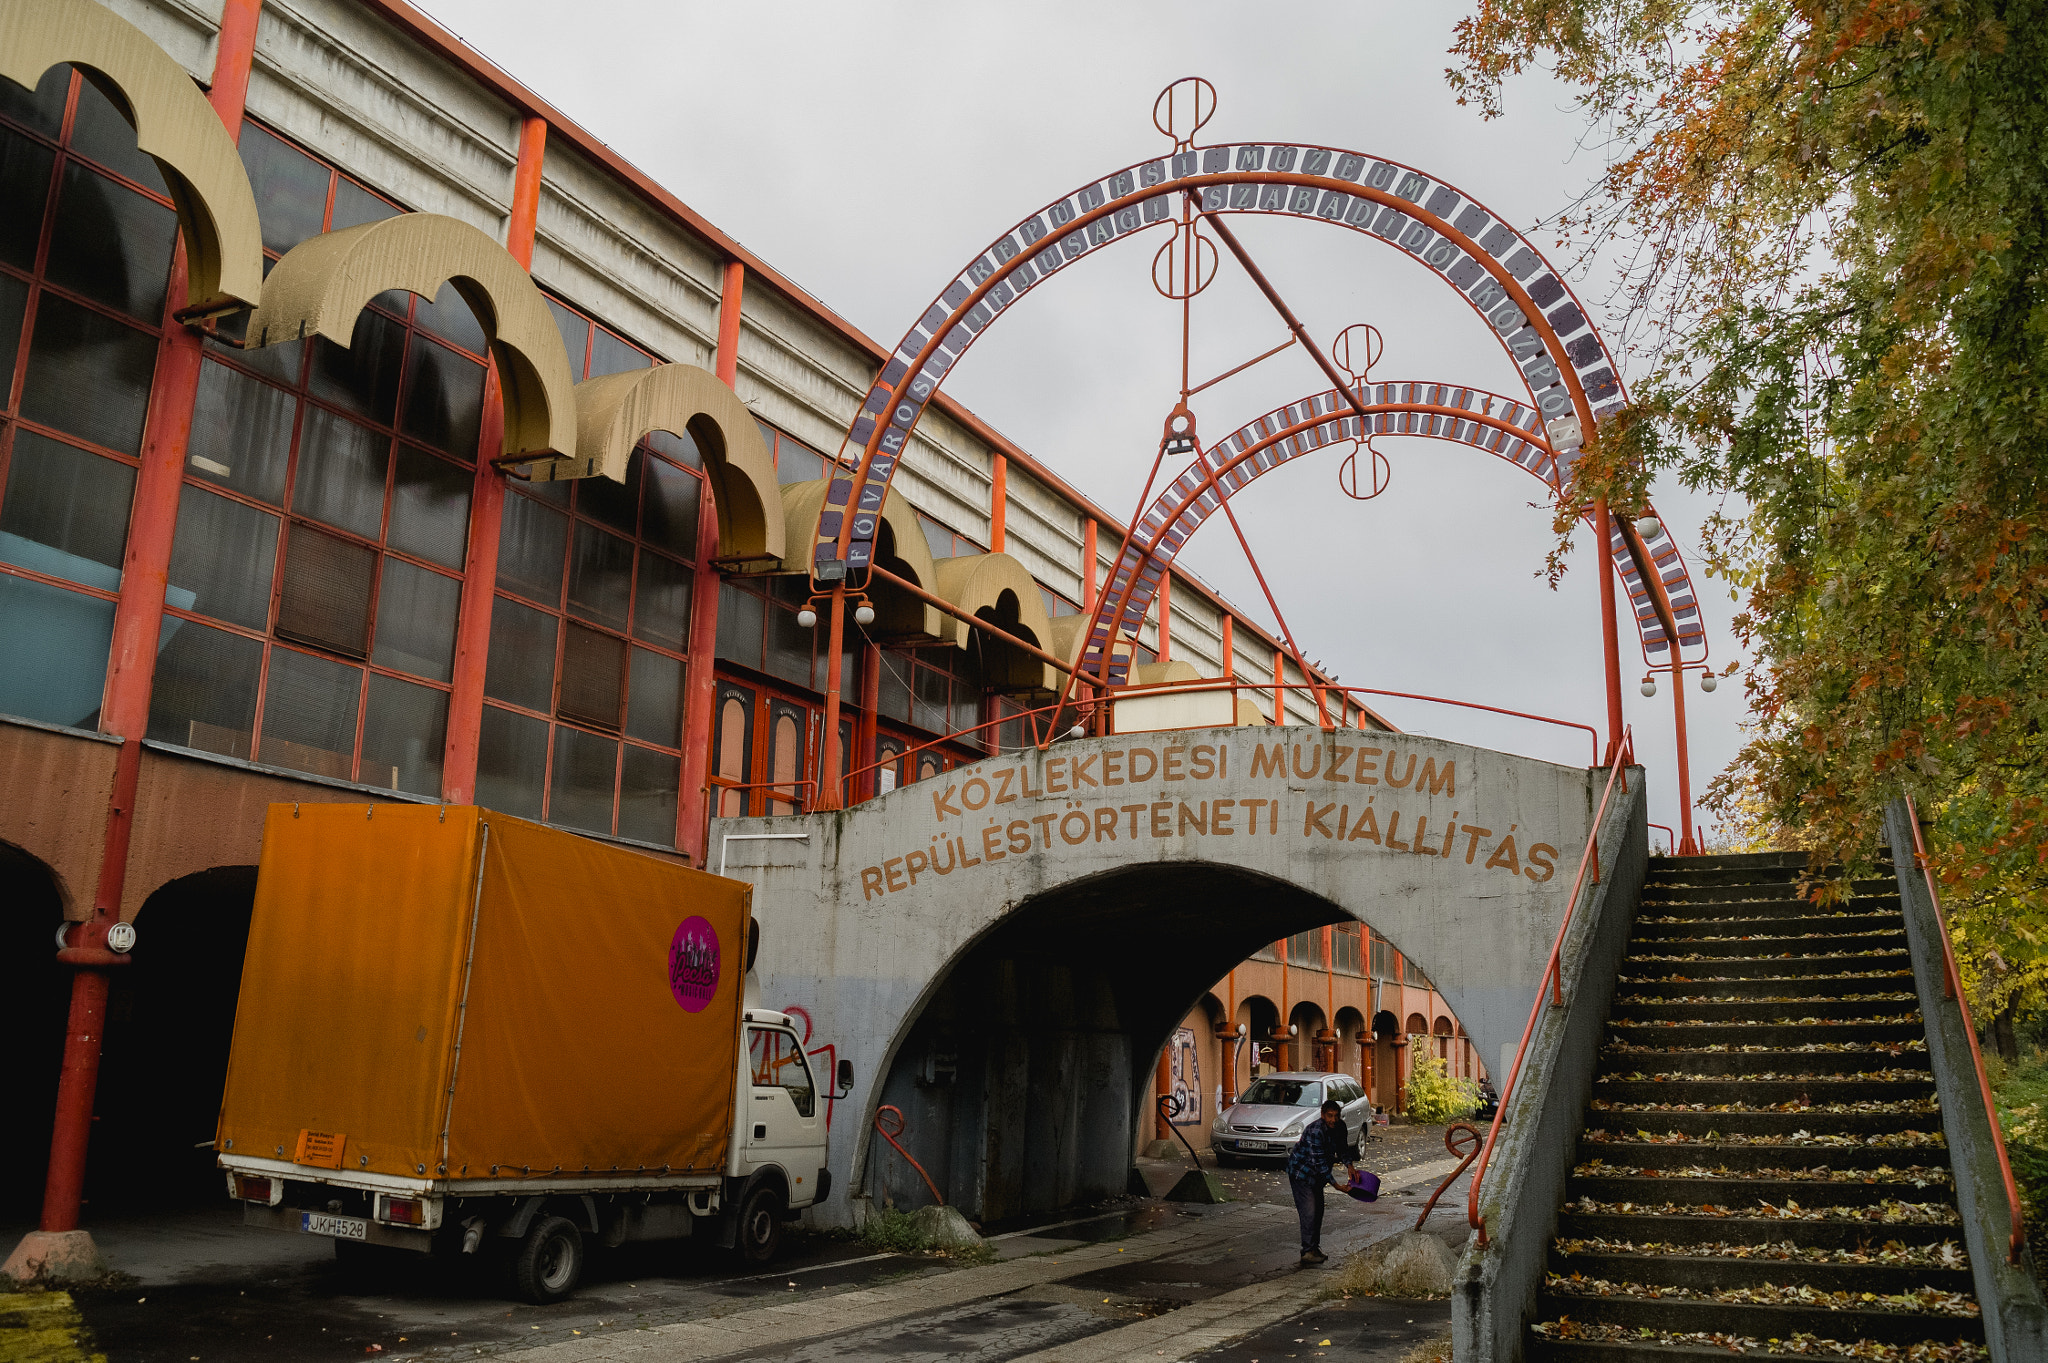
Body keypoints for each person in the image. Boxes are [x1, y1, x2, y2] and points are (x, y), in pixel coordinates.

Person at [1286, 1098, 1350, 1266]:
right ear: (1322, 1115)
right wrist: (1337, 1186)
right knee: (1309, 1211)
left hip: (1316, 1178)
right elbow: (1319, 1163)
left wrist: (1350, 1166)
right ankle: (1307, 1251)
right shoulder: (1315, 1130)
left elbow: (1343, 1148)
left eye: (1336, 1116)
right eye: (1330, 1116)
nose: (1333, 1120)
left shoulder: (1339, 1127)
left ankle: (1314, 1248)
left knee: (1318, 1211)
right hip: (1302, 1174)